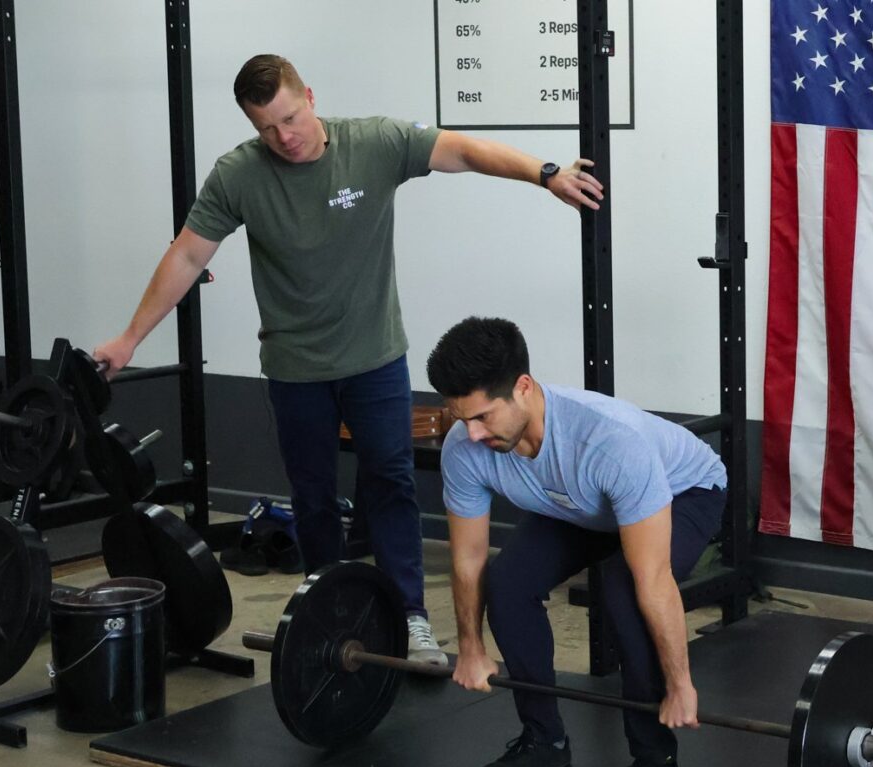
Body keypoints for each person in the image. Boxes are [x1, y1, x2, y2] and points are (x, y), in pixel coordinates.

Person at [92, 55, 603, 665]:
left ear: (309, 96)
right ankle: (327, 611)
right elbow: (185, 257)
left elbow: (463, 151)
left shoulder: (373, 144)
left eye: (290, 117)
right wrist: (129, 339)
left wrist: (544, 173)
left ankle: (410, 618)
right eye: (267, 129)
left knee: (389, 483)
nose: (285, 137)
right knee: (312, 498)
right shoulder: (238, 175)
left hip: (374, 361)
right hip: (294, 368)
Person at [426, 317, 728, 767]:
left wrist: (680, 685)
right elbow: (469, 558)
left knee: (625, 586)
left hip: (684, 492)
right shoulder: (468, 446)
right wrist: (471, 649)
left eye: (481, 417)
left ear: (523, 387)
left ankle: (657, 760)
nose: (472, 433)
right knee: (506, 582)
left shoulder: (609, 442)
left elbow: (654, 581)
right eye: (462, 419)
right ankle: (544, 741)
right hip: (583, 503)